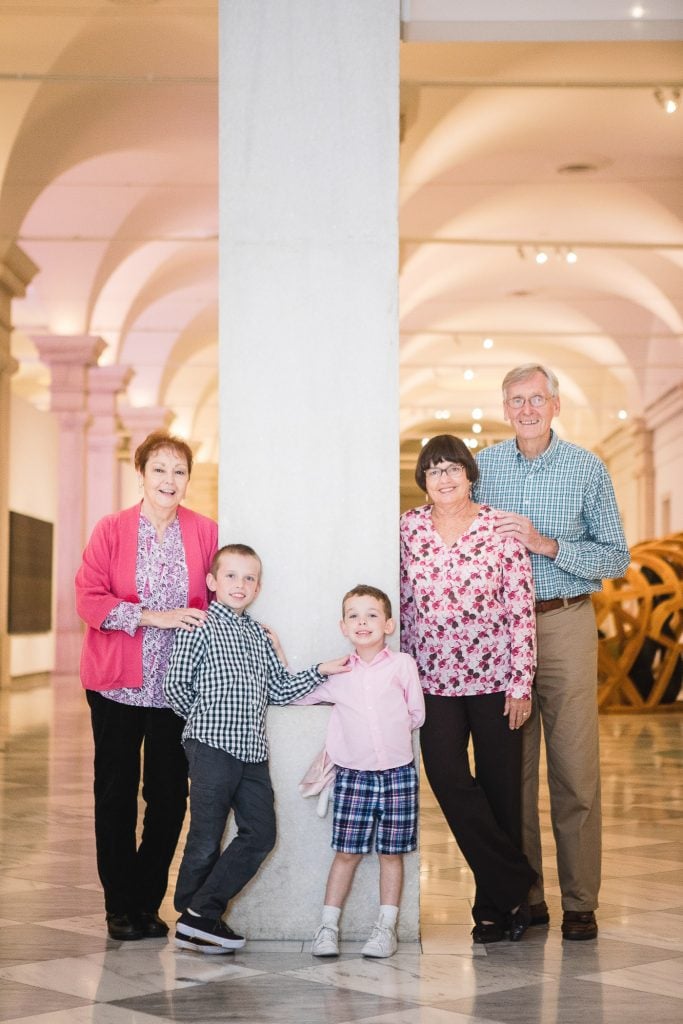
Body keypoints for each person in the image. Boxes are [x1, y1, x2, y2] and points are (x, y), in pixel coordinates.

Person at [475, 363, 630, 941]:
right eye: (516, 400)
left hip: (564, 620)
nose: (527, 409)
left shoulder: (587, 468)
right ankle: (526, 895)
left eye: (536, 398)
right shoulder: (483, 468)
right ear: (505, 407)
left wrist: (545, 543)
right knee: (511, 770)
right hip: (500, 632)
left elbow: (615, 556)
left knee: (574, 769)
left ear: (555, 405)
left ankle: (581, 900)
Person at [163, 543, 350, 954]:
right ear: (213, 582)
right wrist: (204, 721)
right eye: (231, 575)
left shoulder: (258, 633)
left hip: (252, 753)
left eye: (249, 578)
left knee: (261, 833)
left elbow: (279, 688)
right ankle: (196, 918)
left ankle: (198, 916)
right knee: (206, 837)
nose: (240, 584)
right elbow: (175, 686)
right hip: (211, 746)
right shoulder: (198, 626)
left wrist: (321, 670)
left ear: (258, 587)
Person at [75, 430, 217, 942]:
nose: (169, 480)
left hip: (177, 688)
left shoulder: (204, 531)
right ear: (142, 474)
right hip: (115, 686)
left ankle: (146, 900)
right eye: (159, 469)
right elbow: (88, 598)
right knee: (114, 794)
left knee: (168, 797)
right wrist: (153, 617)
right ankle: (119, 906)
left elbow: (219, 597)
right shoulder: (111, 529)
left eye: (179, 471)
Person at [400, 434, 537, 944]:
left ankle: (495, 907)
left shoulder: (498, 528)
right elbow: (405, 607)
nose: (445, 476)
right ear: (424, 480)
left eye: (453, 466)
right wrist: (403, 677)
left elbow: (520, 608)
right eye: (434, 469)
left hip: (497, 679)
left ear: (468, 472)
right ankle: (515, 880)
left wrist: (521, 681)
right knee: (447, 776)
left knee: (501, 790)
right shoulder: (409, 529)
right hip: (433, 681)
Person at [295, 584, 425, 959]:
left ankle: (386, 928)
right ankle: (328, 927)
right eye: (354, 615)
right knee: (347, 853)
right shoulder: (338, 673)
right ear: (342, 626)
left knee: (391, 854)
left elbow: (416, 714)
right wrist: (299, 663)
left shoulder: (403, 665)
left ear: (388, 624)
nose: (362, 621)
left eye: (371, 615)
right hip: (353, 777)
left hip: (399, 774)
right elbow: (297, 692)